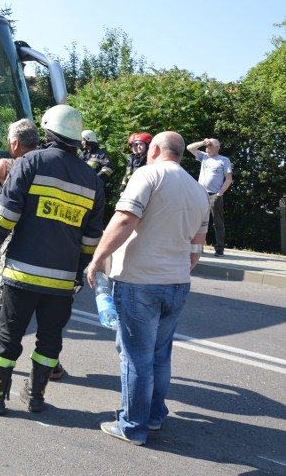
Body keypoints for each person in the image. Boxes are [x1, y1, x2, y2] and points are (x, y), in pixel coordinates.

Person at [0, 104, 105, 416]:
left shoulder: (30, 162)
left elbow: (6, 213)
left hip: (22, 274)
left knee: (7, 337)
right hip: (63, 280)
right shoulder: (92, 180)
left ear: (48, 131)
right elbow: (92, 238)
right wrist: (79, 273)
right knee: (49, 341)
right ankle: (35, 397)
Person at [85, 131, 210, 446]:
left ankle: (132, 426)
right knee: (160, 354)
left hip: (140, 282)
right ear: (181, 154)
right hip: (177, 283)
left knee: (135, 357)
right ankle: (154, 416)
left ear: (154, 149)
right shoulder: (198, 191)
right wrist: (178, 268)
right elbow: (197, 248)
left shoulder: (147, 174)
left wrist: (97, 258)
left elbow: (124, 220)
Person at [0, 114, 65, 379]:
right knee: (48, 309)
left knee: (1, 304)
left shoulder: (11, 167)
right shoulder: (56, 166)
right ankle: (51, 364)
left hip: (16, 247)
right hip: (53, 250)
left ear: (15, 145)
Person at [187, 138, 233, 256]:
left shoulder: (223, 160)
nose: (207, 149)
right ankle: (197, 247)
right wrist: (203, 142)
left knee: (217, 222)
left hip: (214, 195)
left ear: (217, 148)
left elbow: (228, 179)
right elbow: (189, 148)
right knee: (198, 221)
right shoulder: (204, 157)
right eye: (206, 147)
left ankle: (219, 249)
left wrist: (220, 193)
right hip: (200, 194)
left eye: (209, 147)